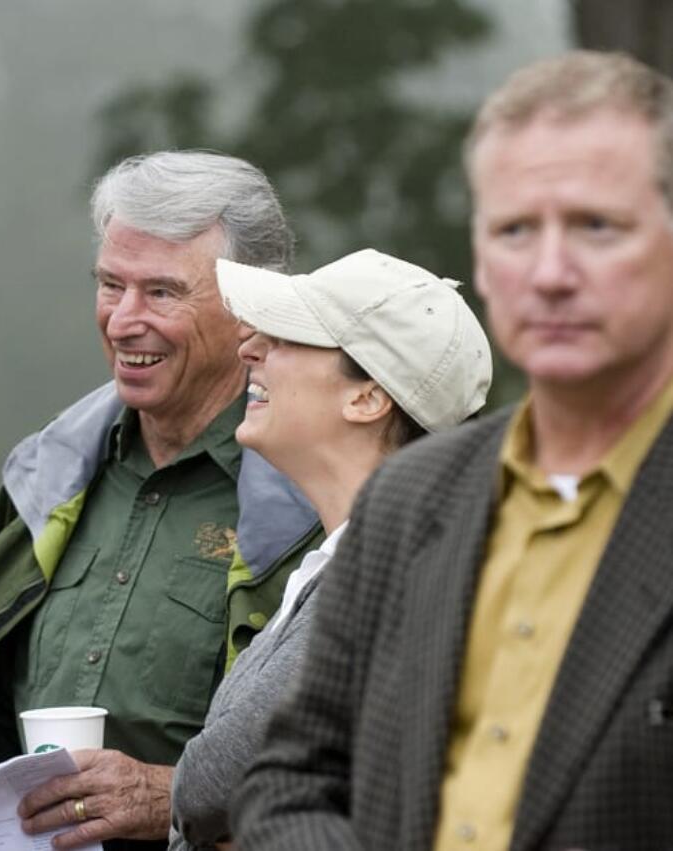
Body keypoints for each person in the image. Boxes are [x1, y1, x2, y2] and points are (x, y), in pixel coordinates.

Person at [233, 49, 673, 851]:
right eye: (514, 230)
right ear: (481, 258)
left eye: (596, 225)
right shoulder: (410, 497)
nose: (549, 272)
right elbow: (289, 780)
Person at [0, 151, 320, 850]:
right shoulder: (50, 470)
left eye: (162, 292)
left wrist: (170, 795)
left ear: (253, 309)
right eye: (111, 284)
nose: (124, 319)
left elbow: (359, 755)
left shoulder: (318, 492)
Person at [168, 248, 491, 850]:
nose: (250, 348)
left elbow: (209, 782)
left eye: (288, 337)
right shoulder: (358, 556)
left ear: (368, 398)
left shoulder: (398, 572)